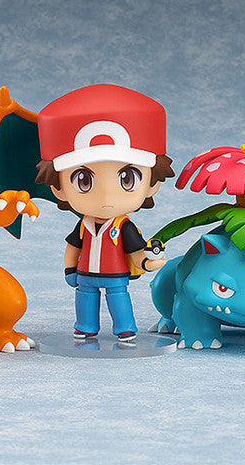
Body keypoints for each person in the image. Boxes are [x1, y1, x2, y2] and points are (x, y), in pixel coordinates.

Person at [36, 84, 173, 341]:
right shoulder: (83, 225)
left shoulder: (124, 226)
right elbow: (73, 248)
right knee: (85, 299)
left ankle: (125, 327)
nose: (106, 198)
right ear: (59, 188)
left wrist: (147, 261)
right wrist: (69, 269)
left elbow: (135, 250)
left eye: (127, 179)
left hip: (115, 275)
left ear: (151, 184)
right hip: (85, 274)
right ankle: (85, 326)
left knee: (118, 298)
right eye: (83, 180)